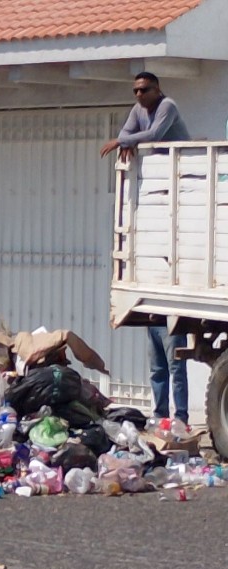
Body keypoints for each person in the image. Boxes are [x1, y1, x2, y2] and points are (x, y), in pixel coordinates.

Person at [100, 72, 190, 424]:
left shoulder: (166, 106)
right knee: (157, 368)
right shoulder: (139, 110)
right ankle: (160, 415)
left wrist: (125, 141)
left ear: (157, 89)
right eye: (135, 90)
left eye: (144, 89)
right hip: (151, 301)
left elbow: (151, 136)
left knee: (175, 365)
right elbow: (129, 134)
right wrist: (126, 139)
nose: (139, 96)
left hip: (179, 172)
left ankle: (179, 416)